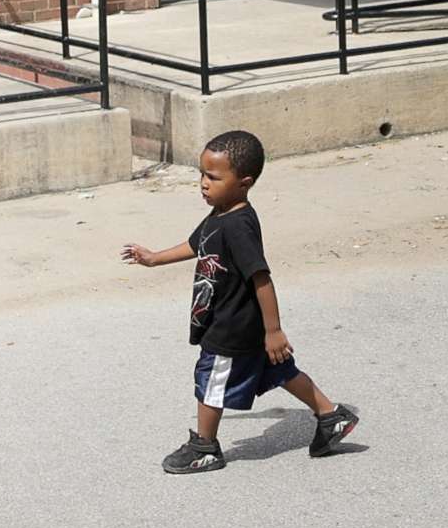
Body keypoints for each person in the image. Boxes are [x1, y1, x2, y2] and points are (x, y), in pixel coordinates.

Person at [120, 129, 360, 474]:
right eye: (201, 174)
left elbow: (261, 278)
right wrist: (154, 258)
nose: (203, 183)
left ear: (244, 182)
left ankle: (205, 446)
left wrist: (274, 330)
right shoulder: (219, 213)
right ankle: (330, 415)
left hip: (232, 325)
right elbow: (197, 243)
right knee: (278, 371)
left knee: (210, 380)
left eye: (214, 177)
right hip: (244, 323)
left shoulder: (238, 225)